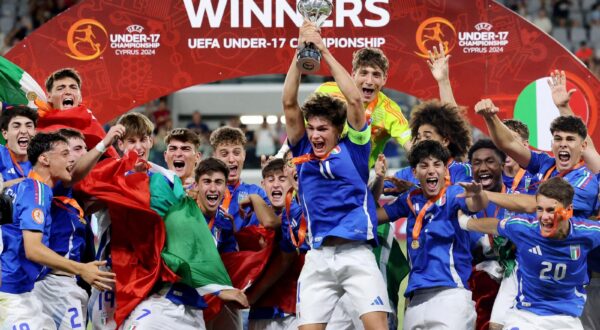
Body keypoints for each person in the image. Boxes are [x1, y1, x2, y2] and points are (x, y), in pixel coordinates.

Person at [283, 20, 391, 329]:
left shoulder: (354, 150)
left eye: (323, 129)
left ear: (337, 130)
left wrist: (323, 50)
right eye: (312, 128)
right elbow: (289, 102)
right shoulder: (302, 148)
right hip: (317, 257)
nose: (315, 135)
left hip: (356, 254)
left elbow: (355, 99)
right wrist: (302, 49)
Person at [0, 132, 114, 329]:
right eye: (64, 154)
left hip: (24, 292)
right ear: (45, 159)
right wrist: (81, 269)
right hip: (10, 294)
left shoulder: (26, 188)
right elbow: (33, 249)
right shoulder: (37, 192)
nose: (71, 159)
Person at [121, 158, 248, 329]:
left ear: (225, 188)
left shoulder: (225, 223)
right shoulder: (179, 212)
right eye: (206, 181)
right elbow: (178, 259)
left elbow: (224, 268)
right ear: (196, 186)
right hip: (165, 303)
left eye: (218, 182)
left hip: (195, 310)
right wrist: (218, 289)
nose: (212, 188)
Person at [458, 177, 600, 329]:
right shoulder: (524, 228)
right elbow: (495, 225)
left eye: (551, 210)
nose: (544, 217)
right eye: (540, 209)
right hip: (526, 316)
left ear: (569, 210)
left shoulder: (588, 233)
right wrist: (465, 222)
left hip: (566, 319)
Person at [376, 140, 487, 330]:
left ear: (445, 170)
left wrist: (477, 195)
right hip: (416, 298)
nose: (431, 170)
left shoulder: (454, 194)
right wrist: (378, 179)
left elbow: (475, 205)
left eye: (437, 164)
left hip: (451, 294)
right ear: (414, 172)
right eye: (424, 165)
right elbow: (374, 218)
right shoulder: (409, 199)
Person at [32, 127, 123, 329]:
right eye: (76, 149)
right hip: (53, 282)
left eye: (85, 149)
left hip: (67, 283)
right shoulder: (50, 185)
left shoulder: (74, 199)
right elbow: (74, 174)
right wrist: (103, 144)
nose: (83, 154)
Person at [209, 126, 269, 232]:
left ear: (244, 155)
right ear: (214, 157)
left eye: (236, 153)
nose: (231, 159)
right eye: (224, 154)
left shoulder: (257, 193)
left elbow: (279, 219)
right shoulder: (202, 192)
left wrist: (272, 181)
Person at [501, 119, 538, 194]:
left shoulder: (535, 178)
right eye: (502, 141)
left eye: (512, 142)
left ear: (525, 145)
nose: (506, 147)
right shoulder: (490, 175)